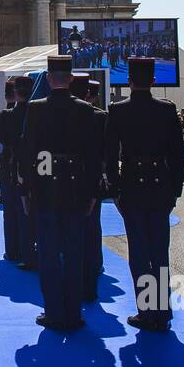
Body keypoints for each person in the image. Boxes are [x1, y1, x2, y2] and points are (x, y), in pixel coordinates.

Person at [18, 56, 102, 331]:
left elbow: (27, 153)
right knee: (75, 252)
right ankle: (74, 312)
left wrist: (26, 191)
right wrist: (92, 193)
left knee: (49, 253)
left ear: (50, 79)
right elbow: (93, 155)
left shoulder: (36, 109)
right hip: (77, 190)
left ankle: (53, 311)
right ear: (70, 79)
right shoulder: (86, 111)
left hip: (45, 190)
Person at [106, 57, 184, 332]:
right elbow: (178, 156)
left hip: (132, 187)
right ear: (153, 81)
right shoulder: (166, 110)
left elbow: (109, 157)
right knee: (159, 251)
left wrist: (115, 188)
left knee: (139, 252)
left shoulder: (117, 111)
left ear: (129, 81)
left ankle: (146, 310)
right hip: (160, 188)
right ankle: (162, 310)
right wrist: (174, 190)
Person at [70, 72, 107, 303]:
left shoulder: (65, 113)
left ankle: (74, 283)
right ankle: (92, 274)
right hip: (92, 179)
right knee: (93, 228)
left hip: (68, 179)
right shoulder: (100, 116)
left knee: (70, 232)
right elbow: (105, 152)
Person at [13, 75, 39, 271]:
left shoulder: (7, 116)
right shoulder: (41, 112)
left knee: (22, 216)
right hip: (44, 170)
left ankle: (24, 254)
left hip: (19, 170)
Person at [0, 79, 21, 259]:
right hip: (26, 168)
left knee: (9, 212)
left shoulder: (0, 116)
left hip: (7, 168)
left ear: (5, 96)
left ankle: (11, 250)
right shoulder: (31, 112)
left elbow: (0, 143)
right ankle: (27, 249)